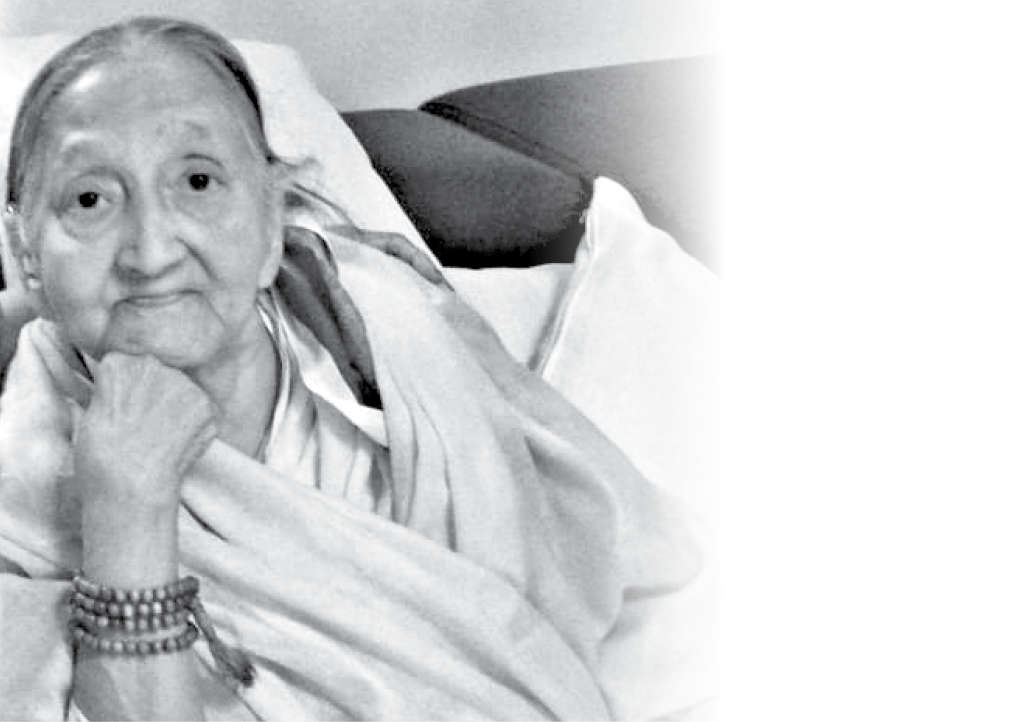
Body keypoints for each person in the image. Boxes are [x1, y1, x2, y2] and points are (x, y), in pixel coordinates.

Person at [0, 16, 710, 721]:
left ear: (273, 218)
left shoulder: (390, 323)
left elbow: (618, 578)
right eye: (90, 199)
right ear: (26, 252)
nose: (151, 252)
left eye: (198, 180)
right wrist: (127, 511)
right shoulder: (21, 498)